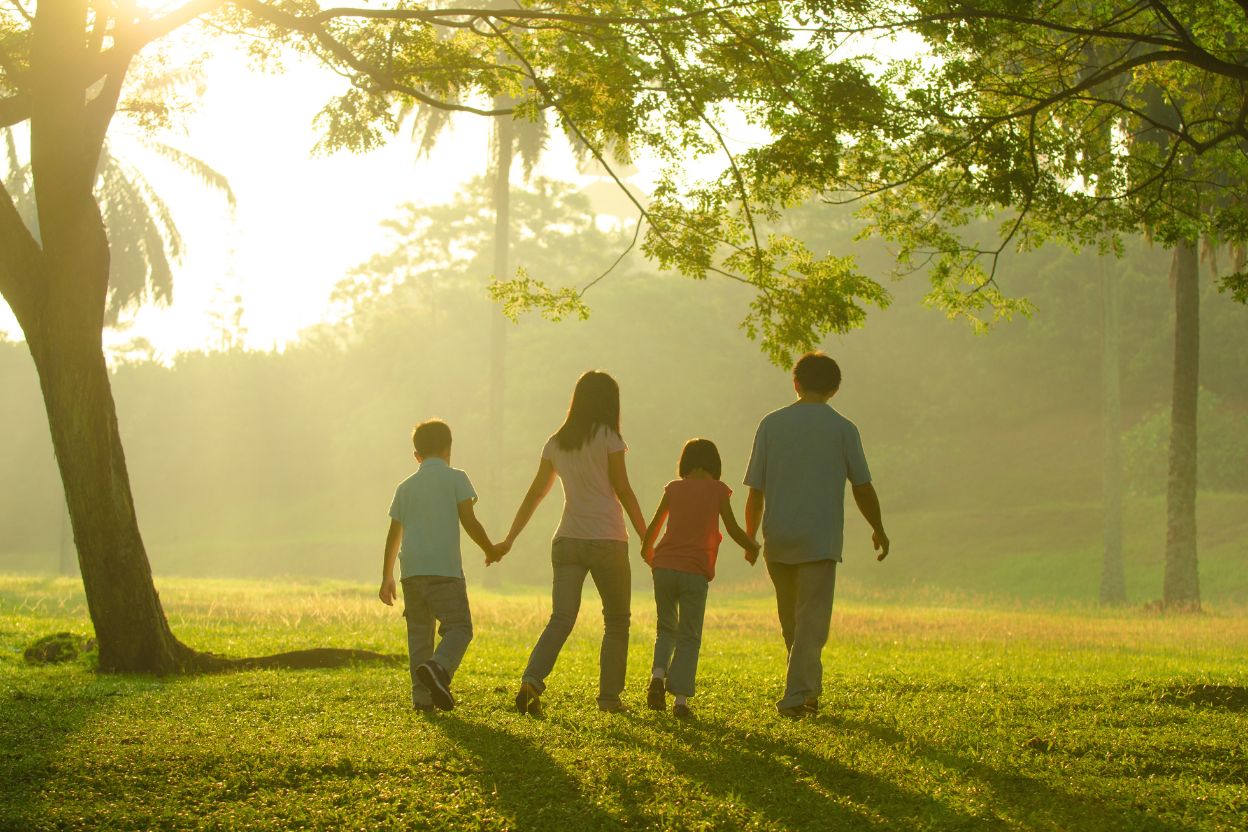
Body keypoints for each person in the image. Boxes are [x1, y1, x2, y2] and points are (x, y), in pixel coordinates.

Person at [492, 371, 648, 715]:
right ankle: (609, 699)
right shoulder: (609, 437)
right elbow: (623, 489)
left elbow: (535, 493)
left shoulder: (556, 442)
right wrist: (646, 537)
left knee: (560, 619)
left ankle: (532, 679)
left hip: (567, 541)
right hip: (607, 539)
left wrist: (509, 539)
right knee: (617, 621)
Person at [743, 352, 890, 718]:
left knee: (792, 622)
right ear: (835, 389)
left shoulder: (771, 424)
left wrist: (750, 535)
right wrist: (878, 527)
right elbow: (862, 486)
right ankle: (797, 696)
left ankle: (807, 691)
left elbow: (755, 489)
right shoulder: (843, 428)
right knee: (810, 622)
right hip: (819, 539)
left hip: (778, 537)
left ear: (795, 383)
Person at [378, 419, 499, 712]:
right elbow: (469, 521)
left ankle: (422, 699)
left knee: (419, 634)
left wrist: (387, 576)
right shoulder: (456, 478)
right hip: (444, 571)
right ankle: (439, 667)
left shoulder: (405, 487)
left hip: (412, 572)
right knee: (459, 628)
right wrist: (489, 548)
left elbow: (395, 534)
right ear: (448, 449)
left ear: (416, 455)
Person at [640, 438, 759, 719]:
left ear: (685, 463)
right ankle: (680, 702)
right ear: (714, 464)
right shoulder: (718, 490)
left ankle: (657, 676)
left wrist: (649, 554)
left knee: (665, 629)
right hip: (694, 571)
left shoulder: (674, 488)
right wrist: (751, 546)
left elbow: (654, 527)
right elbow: (731, 527)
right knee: (689, 636)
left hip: (665, 567)